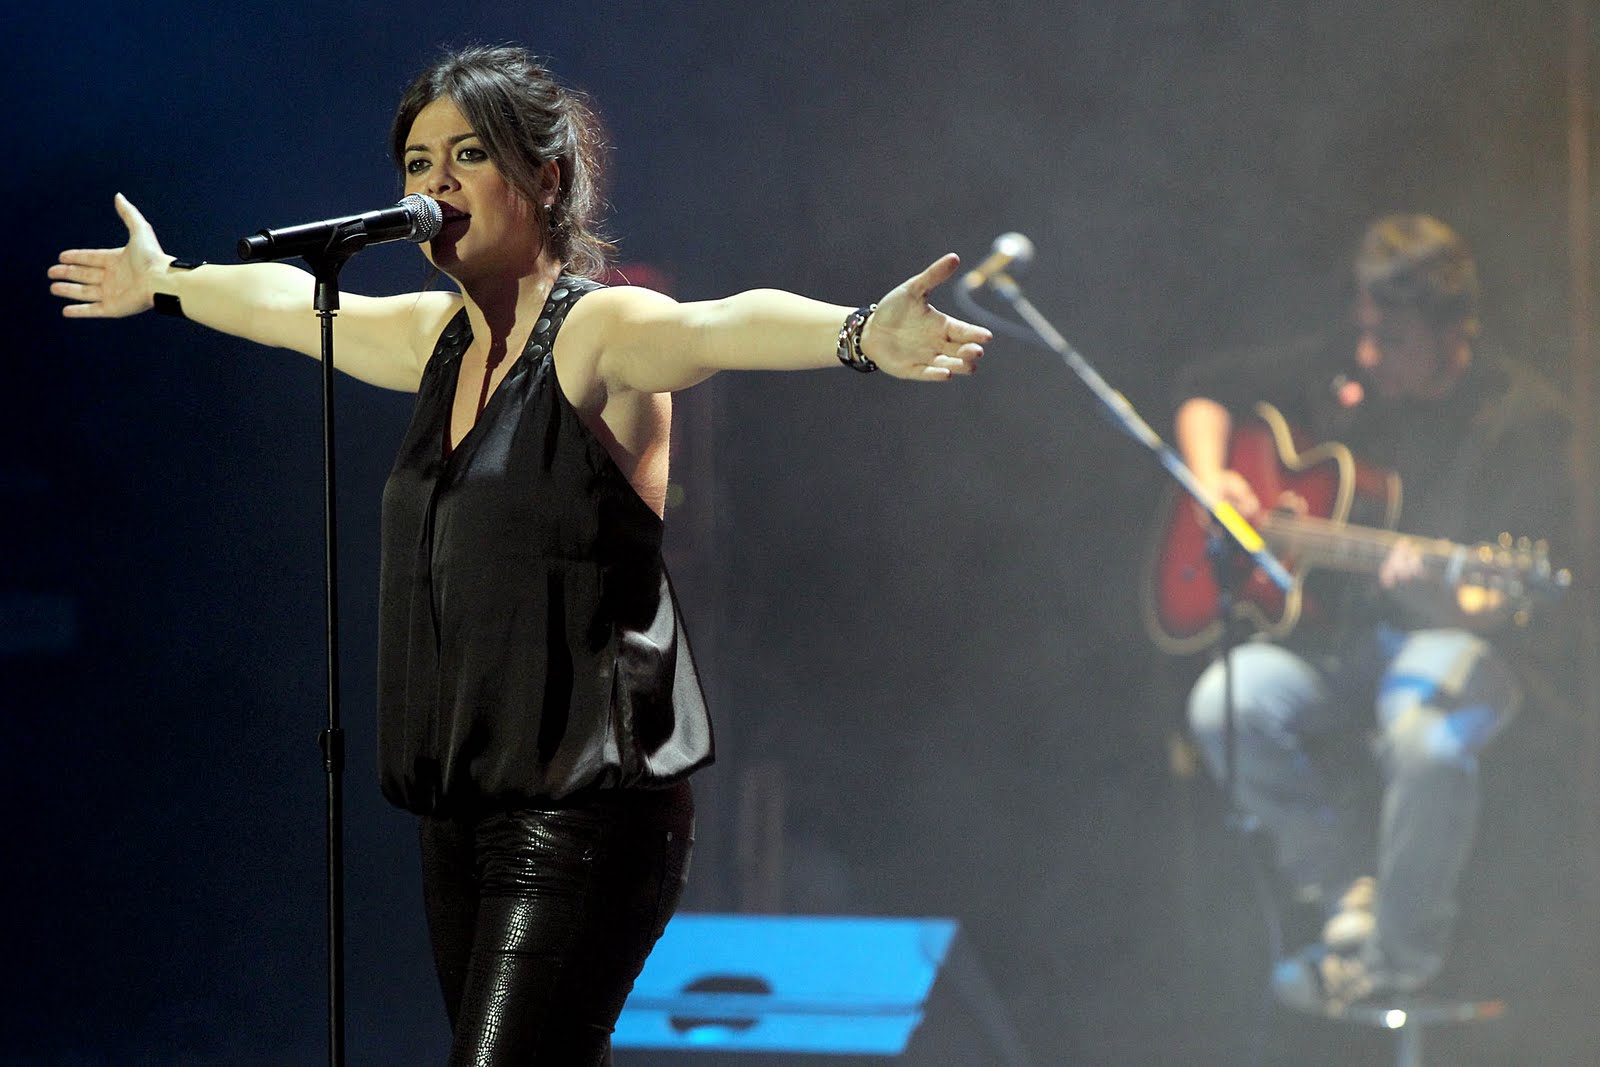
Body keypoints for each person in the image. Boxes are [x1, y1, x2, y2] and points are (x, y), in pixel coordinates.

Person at [47, 44, 991, 1065]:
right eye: (415, 163)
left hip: (583, 803)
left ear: (544, 177)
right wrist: (171, 280)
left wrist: (858, 333)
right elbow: (290, 309)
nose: (433, 185)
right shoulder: (437, 340)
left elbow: (720, 324)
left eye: (465, 155)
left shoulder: (601, 327)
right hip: (465, 806)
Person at [1172, 214, 1571, 1009]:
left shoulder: (1524, 420)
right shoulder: (1343, 368)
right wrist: (1216, 481)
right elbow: (1201, 391)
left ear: (1451, 332)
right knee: (1225, 699)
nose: (1366, 355)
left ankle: (1394, 957)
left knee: (1424, 738)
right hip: (1338, 643)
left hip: (1455, 643)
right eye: (1364, 332)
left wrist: (1440, 595)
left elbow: (1513, 605)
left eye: (1390, 340)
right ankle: (1343, 888)